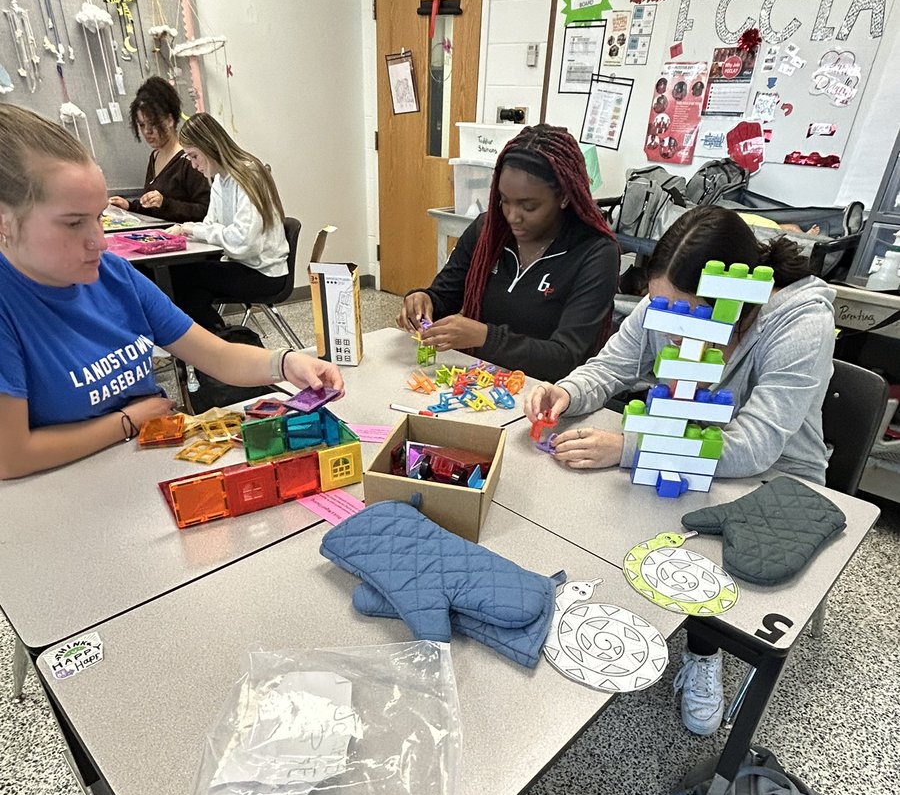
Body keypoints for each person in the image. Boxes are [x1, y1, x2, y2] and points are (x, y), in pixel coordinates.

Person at [525, 206, 835, 737]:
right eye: (661, 306)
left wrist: (631, 446)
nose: (669, 324)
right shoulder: (666, 302)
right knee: (610, 515)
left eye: (686, 313)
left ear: (736, 299)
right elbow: (611, 368)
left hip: (776, 480)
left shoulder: (801, 323)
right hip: (681, 457)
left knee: (688, 550)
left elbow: (755, 447)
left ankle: (704, 649)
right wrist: (567, 393)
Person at [0, 104, 342, 480]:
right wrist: (128, 421)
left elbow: (217, 355)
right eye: (72, 224)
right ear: (5, 223)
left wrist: (285, 363)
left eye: (99, 217)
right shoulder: (9, 307)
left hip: (142, 466)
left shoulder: (114, 275)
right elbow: (11, 457)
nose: (100, 241)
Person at [396, 124, 619, 381]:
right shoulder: (487, 231)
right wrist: (424, 300)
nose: (512, 216)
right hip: (481, 380)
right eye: (504, 200)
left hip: (548, 393)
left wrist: (485, 337)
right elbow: (445, 296)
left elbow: (566, 358)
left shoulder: (595, 253)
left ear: (564, 197)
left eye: (529, 206)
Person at [168, 113, 290, 332]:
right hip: (242, 263)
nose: (193, 165)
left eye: (194, 156)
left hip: (264, 272)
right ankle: (218, 339)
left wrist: (194, 229)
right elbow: (212, 226)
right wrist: (184, 231)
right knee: (186, 287)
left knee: (183, 279)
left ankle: (218, 341)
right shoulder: (220, 180)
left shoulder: (248, 175)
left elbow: (245, 242)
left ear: (209, 146)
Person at [108, 76, 210, 222]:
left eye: (153, 124)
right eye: (142, 125)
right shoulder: (155, 156)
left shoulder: (189, 160)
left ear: (169, 120)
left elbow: (206, 211)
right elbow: (153, 208)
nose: (147, 131)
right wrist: (130, 206)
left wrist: (165, 204)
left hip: (185, 234)